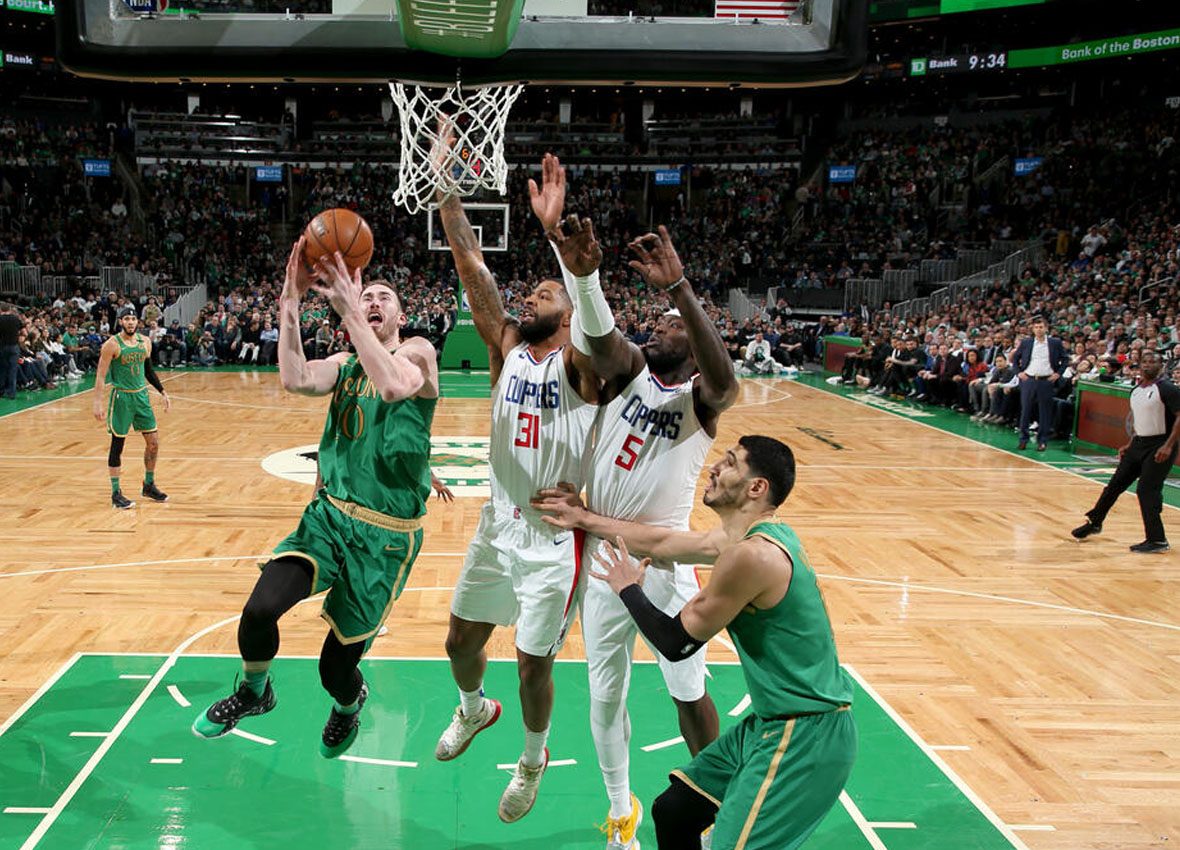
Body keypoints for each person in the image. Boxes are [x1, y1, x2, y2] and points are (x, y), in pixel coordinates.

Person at [539, 435, 857, 850]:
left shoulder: (753, 557)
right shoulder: (747, 540)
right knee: (675, 811)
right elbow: (659, 542)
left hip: (805, 736)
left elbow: (676, 643)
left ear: (756, 487)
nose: (714, 468)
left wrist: (628, 590)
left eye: (729, 463)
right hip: (770, 724)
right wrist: (583, 518)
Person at [191, 238, 439, 757]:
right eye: (365, 294)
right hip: (329, 520)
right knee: (259, 611)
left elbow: (394, 387)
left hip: (386, 541)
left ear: (400, 314)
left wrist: (349, 311)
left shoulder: (418, 351)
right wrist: (289, 298)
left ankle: (349, 705)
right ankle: (254, 691)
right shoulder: (347, 362)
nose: (372, 301)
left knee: (335, 669)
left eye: (383, 297)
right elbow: (294, 376)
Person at [537, 207, 737, 848]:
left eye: (672, 327)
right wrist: (585, 279)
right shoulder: (627, 374)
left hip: (666, 561)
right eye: (656, 321)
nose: (658, 329)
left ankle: (713, 809)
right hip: (603, 560)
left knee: (690, 694)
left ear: (696, 345)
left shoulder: (700, 404)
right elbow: (600, 341)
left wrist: (681, 292)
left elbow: (726, 382)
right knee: (603, 695)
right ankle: (620, 816)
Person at [433, 155, 602, 824]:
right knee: (457, 643)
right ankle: (475, 710)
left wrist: (561, 242)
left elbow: (589, 314)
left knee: (533, 665)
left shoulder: (586, 364)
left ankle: (531, 762)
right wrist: (446, 190)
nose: (531, 296)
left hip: (554, 540)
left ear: (569, 312)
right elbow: (472, 265)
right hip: (497, 522)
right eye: (530, 290)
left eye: (544, 293)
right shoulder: (507, 346)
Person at [1072, 350, 1179, 553]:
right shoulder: (1136, 390)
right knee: (1114, 485)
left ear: (1161, 366)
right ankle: (1094, 522)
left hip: (1161, 445)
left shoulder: (1167, 389)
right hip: (1139, 444)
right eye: (1144, 362)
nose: (1148, 365)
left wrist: (1169, 445)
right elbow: (1141, 422)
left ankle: (1157, 539)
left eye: (1153, 362)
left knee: (1147, 490)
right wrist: (1130, 444)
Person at [92, 306, 171, 509]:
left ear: (138, 321)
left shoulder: (145, 342)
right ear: (120, 321)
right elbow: (101, 375)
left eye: (133, 318)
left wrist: (162, 391)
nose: (130, 322)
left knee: (153, 442)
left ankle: (149, 484)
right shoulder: (112, 344)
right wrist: (97, 402)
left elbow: (148, 370)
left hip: (141, 396)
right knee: (118, 445)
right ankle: (115, 493)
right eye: (126, 318)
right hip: (122, 399)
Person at [1011, 316, 1068, 451]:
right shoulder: (1026, 343)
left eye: (1041, 327)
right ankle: (1023, 439)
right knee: (1025, 411)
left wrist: (1058, 373)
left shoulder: (1055, 342)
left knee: (1045, 412)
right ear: (1032, 329)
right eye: (1036, 327)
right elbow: (1015, 358)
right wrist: (1018, 372)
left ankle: (1042, 441)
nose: (1038, 329)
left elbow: (1065, 359)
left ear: (1046, 328)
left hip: (1046, 380)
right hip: (1029, 379)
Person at [1, 303, 22, 400]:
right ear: (9, 309)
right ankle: (12, 393)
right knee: (13, 370)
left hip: (3, 346)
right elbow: (21, 327)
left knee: (3, 369)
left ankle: (1, 390)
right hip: (14, 346)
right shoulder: (15, 318)